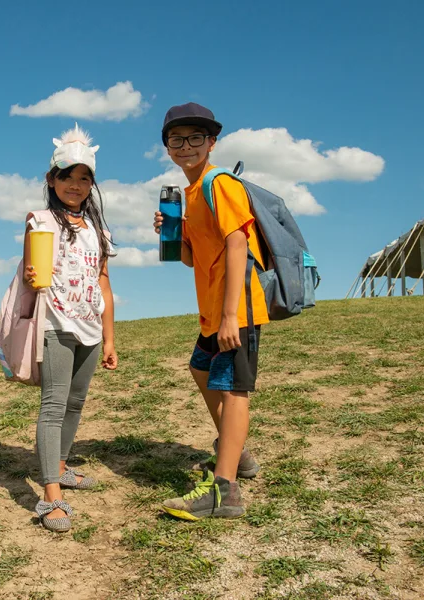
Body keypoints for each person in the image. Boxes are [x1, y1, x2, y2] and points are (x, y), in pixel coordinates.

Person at [153, 103, 267, 520]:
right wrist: (177, 236)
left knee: (233, 387)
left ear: (211, 142)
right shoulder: (192, 192)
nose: (186, 146)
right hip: (214, 310)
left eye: (195, 138)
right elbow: (190, 260)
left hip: (236, 307)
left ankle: (224, 491)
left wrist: (231, 315)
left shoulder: (219, 183)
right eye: (176, 139)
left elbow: (239, 245)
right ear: (167, 147)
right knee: (201, 368)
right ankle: (237, 454)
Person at [24, 124, 118, 532]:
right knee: (53, 404)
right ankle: (51, 496)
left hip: (91, 328)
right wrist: (31, 273)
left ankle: (61, 468)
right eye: (67, 176)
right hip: (55, 324)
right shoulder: (40, 221)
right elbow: (32, 274)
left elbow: (104, 282)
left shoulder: (99, 230)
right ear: (51, 179)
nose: (76, 185)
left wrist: (110, 336)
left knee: (76, 402)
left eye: (84, 178)